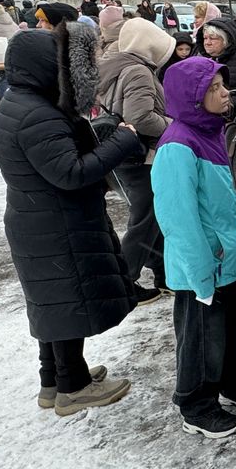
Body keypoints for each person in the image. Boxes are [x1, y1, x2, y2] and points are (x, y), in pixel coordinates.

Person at [0, 23, 141, 416]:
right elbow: (71, 173)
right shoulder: (37, 115)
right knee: (67, 305)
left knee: (54, 304)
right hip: (55, 223)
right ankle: (72, 388)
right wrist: (122, 141)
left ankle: (54, 379)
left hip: (38, 218)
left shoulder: (20, 101)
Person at [152, 55, 236, 438]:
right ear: (193, 97)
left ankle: (234, 383)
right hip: (203, 267)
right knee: (203, 339)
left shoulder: (215, 131)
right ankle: (196, 404)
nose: (225, 93)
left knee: (235, 329)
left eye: (223, 85)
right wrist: (200, 272)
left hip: (230, 259)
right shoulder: (177, 146)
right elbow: (177, 217)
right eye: (214, 88)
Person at [97, 17, 175, 296]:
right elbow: (140, 118)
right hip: (142, 156)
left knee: (151, 217)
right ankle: (126, 281)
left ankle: (163, 274)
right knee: (146, 218)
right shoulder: (138, 71)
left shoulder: (114, 65)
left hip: (123, 154)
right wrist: (174, 126)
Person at [198, 18, 236, 106]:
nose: (207, 43)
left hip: (234, 112)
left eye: (212, 38)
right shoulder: (198, 61)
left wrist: (230, 102)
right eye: (205, 38)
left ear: (226, 41)